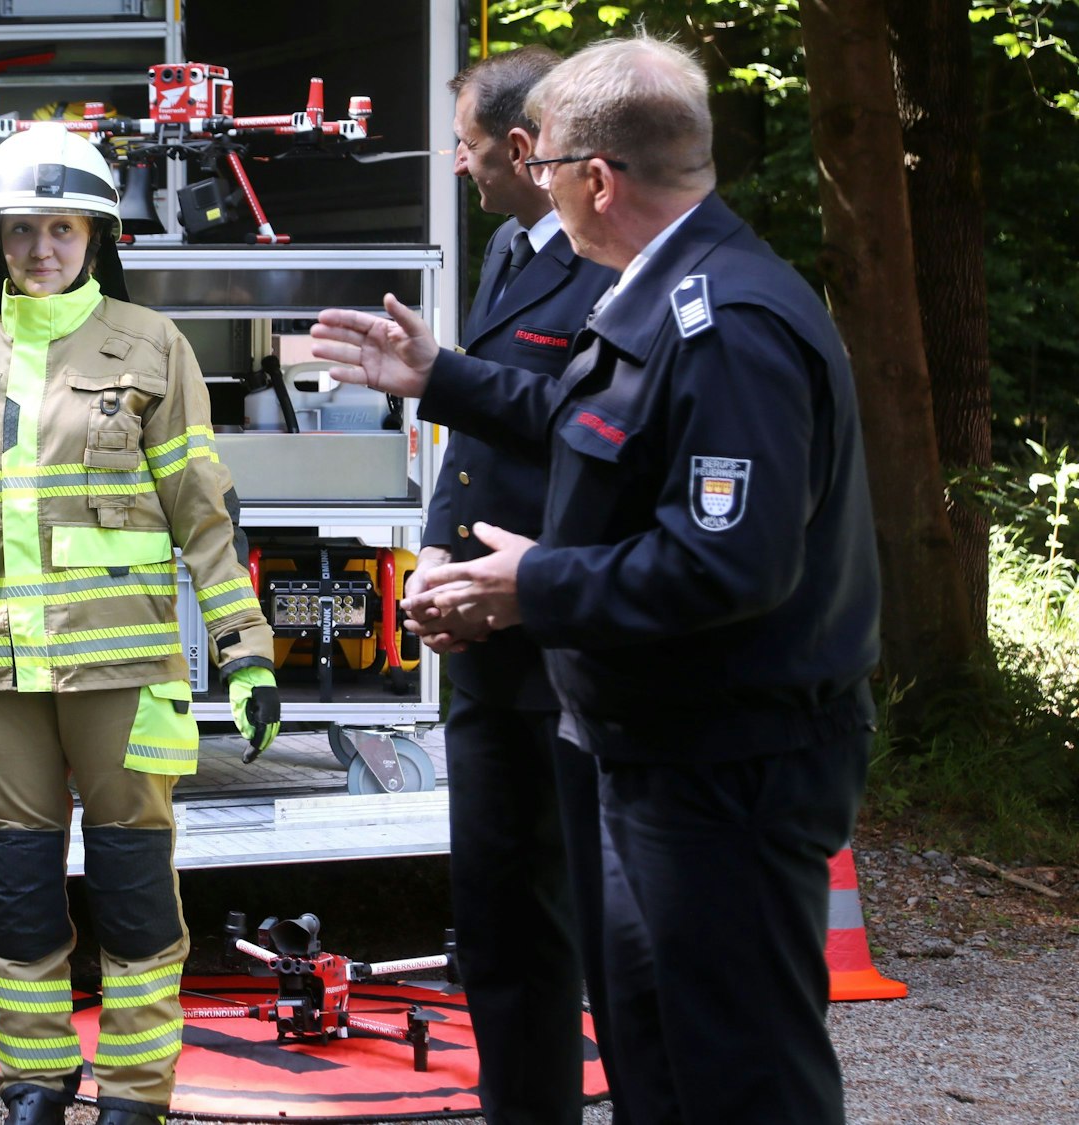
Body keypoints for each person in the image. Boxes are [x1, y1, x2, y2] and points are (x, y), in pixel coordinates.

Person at [312, 35, 880, 1125]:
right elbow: (582, 428)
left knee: (738, 1069)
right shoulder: (652, 298)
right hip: (649, 753)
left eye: (549, 169)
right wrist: (441, 380)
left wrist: (535, 588)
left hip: (728, 764)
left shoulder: (726, 324)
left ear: (593, 177)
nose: (537, 187)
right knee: (658, 1060)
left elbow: (730, 562)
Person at [0, 124, 281, 1125]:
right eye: (19, 232)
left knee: (135, 888)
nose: (40, 249)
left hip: (122, 671)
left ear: (97, 234)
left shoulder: (150, 347)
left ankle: (135, 1097)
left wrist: (245, 653)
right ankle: (34, 1085)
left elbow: (202, 514)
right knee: (14, 889)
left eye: (61, 229)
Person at [422, 46, 621, 1125]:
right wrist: (434, 552)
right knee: (495, 919)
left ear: (514, 148)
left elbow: (588, 446)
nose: (456, 166)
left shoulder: (608, 266)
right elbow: (475, 441)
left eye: (463, 144)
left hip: (562, 643)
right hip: (482, 642)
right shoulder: (507, 247)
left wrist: (517, 582)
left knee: (588, 927)